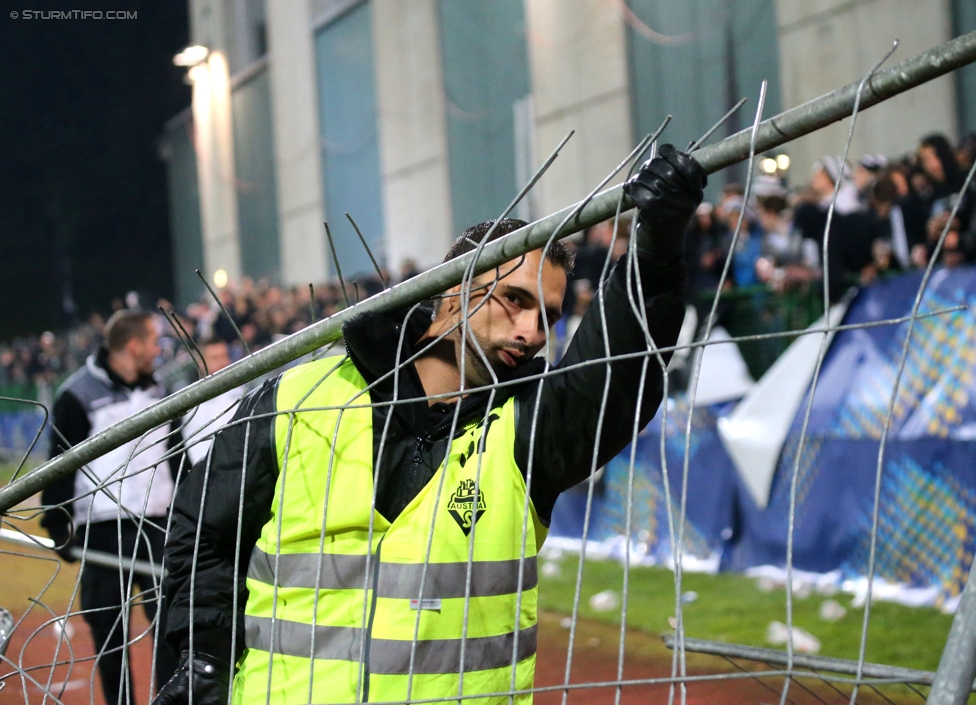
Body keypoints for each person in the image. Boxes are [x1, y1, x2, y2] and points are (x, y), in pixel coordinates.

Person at [153, 145, 705, 704]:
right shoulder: (300, 395)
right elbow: (206, 537)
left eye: (550, 317)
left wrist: (655, 253)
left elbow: (618, 377)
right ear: (450, 289)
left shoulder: (531, 427)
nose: (534, 332)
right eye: (514, 299)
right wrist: (203, 656)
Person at [40, 309, 180, 705]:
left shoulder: (162, 392)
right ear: (133, 346)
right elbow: (58, 467)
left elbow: (177, 460)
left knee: (172, 629)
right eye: (153, 342)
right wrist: (59, 525)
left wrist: (185, 518)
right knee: (110, 635)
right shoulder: (77, 394)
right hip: (102, 532)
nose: (158, 350)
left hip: (157, 528)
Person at [180, 336, 245, 466]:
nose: (222, 363)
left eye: (224, 356)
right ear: (200, 362)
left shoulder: (244, 394)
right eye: (215, 358)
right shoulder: (188, 403)